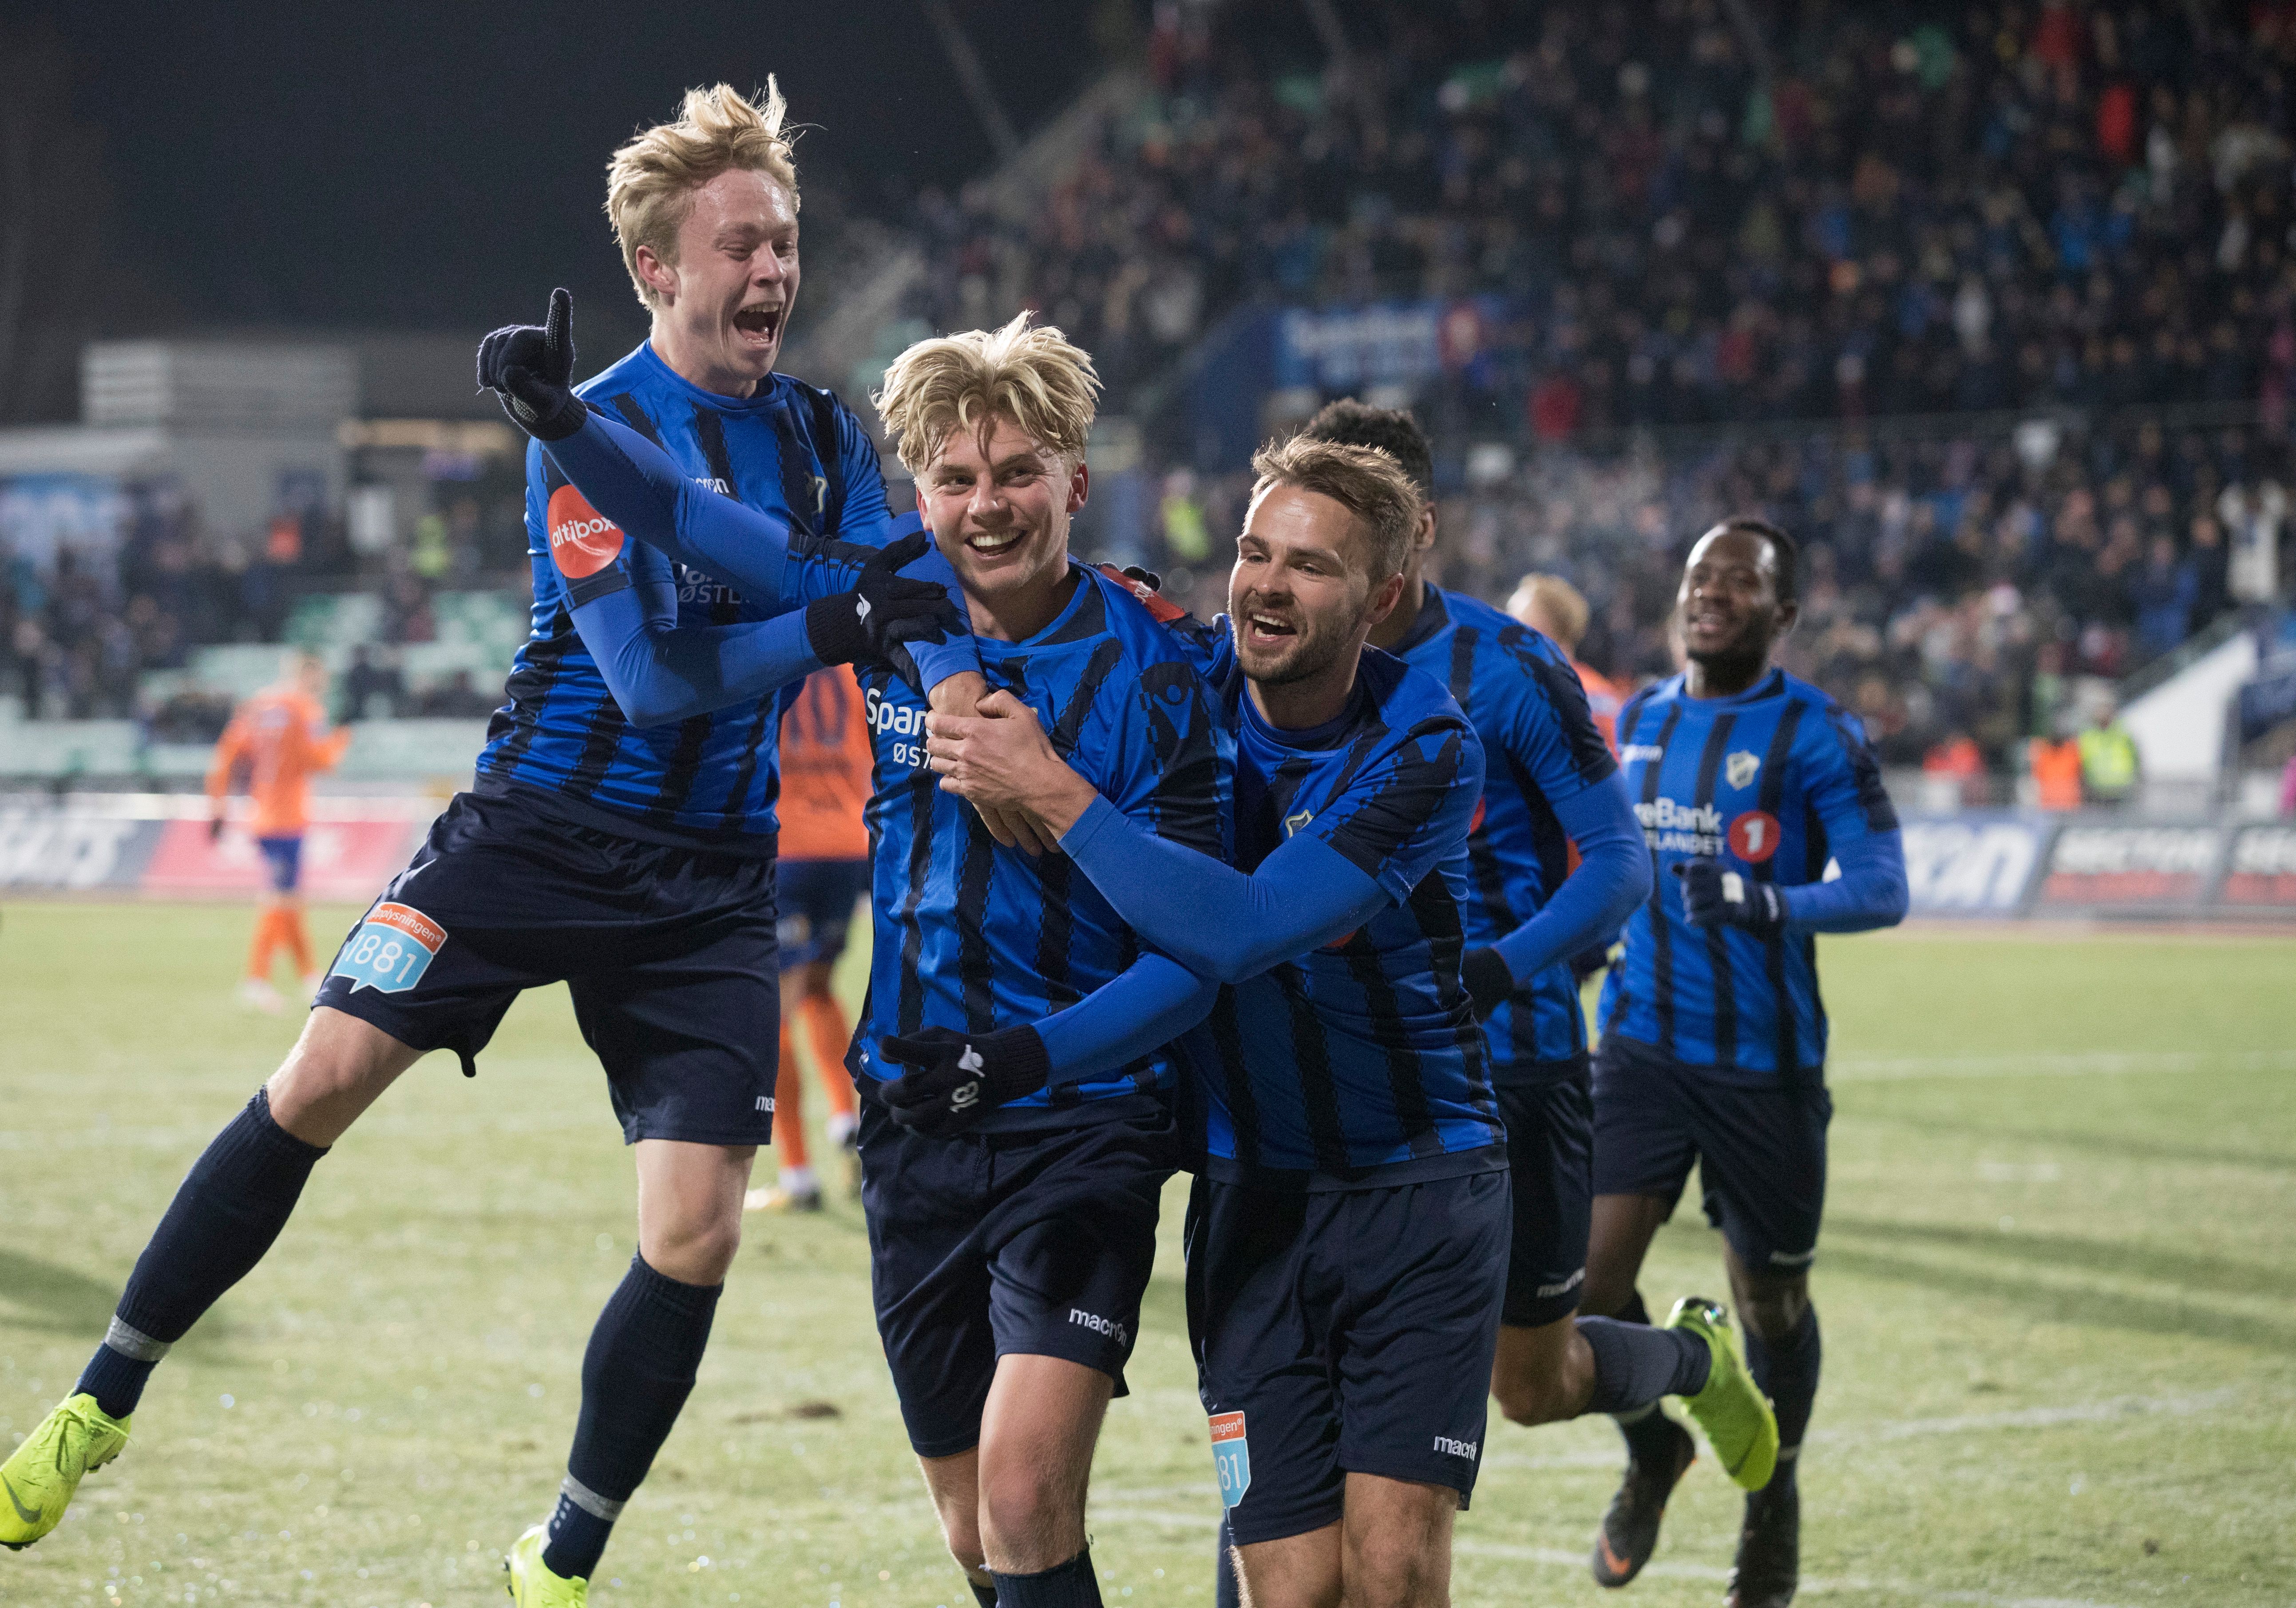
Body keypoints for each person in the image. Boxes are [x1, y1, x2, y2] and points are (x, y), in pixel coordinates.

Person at [0, 83, 974, 1608]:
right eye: (740, 243)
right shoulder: (582, 429)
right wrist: (837, 619)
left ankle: (560, 1561)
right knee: (317, 1078)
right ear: (656, 267)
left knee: (699, 1230)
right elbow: (651, 682)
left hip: (710, 879)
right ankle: (97, 1401)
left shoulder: (819, 435)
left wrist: (891, 623)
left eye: (784, 241)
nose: (773, 269)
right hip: (532, 833)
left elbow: (855, 577)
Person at [526, 308, 1229, 1608]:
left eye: (1018, 473)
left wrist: (1021, 1052)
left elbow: (1200, 943)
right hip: (911, 1117)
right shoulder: (890, 597)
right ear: (917, 491)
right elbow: (681, 513)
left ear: (1076, 481)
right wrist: (562, 421)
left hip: (1084, 1117)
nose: (987, 505)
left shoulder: (1169, 668)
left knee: (1023, 1494)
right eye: (954, 478)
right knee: (975, 1534)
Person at [928, 436, 1564, 1608]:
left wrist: (1054, 789)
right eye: (1254, 552)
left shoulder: (1425, 747)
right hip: (1246, 1196)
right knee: (1290, 1586)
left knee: (1389, 1571)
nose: (1266, 585)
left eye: (1310, 566)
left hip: (1418, 1189)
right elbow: (939, 579)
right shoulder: (1179, 682)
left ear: (1380, 596)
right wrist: (949, 675)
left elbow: (1243, 930)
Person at [1587, 518, 1908, 1607]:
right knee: (1583, 1285)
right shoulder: (1639, 715)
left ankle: (1773, 1495)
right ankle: (1653, 1446)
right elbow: (1615, 861)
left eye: (1739, 580)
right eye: (1698, 575)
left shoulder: (1817, 731)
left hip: (1763, 1066)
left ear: (1783, 613)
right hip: (1638, 1045)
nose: (1711, 592)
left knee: (1769, 1301)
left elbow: (1882, 885)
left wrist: (1765, 900)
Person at [750, 665, 872, 1210]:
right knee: (819, 987)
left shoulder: (770, 653)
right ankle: (847, 1117)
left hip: (787, 845)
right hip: (847, 844)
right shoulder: (850, 663)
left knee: (772, 1012)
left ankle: (797, 1174)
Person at [205, 650, 353, 1013]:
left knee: (288, 899)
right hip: (289, 818)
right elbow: (320, 760)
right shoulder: (304, 709)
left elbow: (226, 756)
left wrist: (218, 805)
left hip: (262, 815)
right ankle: (256, 980)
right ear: (311, 674)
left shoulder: (259, 705)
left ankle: (309, 976)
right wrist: (341, 738)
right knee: (279, 900)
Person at [1507, 571, 1626, 752]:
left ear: (1544, 629)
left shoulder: (1577, 691)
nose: (1503, 630)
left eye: (1516, 622)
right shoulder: (1597, 688)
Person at [2078, 698, 2141, 807]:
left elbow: (2137, 759)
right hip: (2096, 791)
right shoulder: (2088, 736)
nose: (2103, 715)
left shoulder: (2123, 734)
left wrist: (2138, 782)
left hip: (2122, 790)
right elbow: (2081, 763)